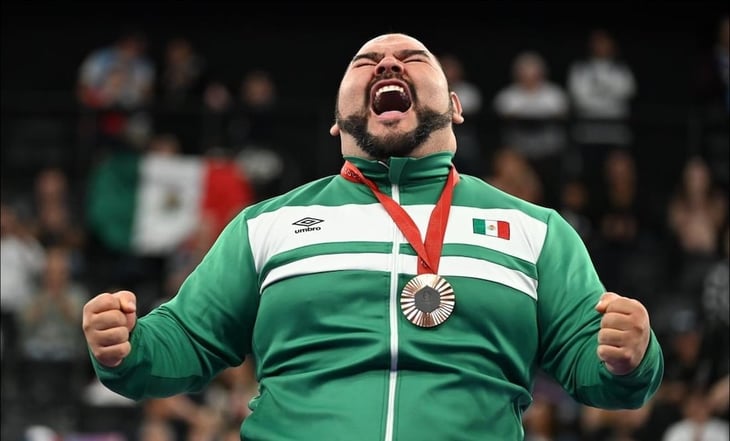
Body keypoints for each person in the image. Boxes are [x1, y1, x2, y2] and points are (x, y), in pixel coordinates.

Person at [82, 33, 664, 441]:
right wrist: (129, 347)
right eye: (366, 62)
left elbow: (599, 369)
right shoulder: (268, 226)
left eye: (413, 57)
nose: (389, 63)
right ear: (337, 117)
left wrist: (631, 357)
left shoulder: (538, 232)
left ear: (455, 106)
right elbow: (186, 338)